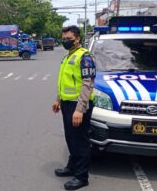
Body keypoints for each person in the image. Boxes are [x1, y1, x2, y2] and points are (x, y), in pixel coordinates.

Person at [52, 25, 95, 190]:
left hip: (79, 105)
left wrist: (80, 109)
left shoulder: (85, 57)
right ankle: (72, 167)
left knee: (80, 141)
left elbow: (87, 84)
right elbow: (65, 82)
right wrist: (58, 100)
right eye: (63, 39)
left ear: (77, 38)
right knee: (71, 138)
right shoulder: (68, 56)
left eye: (68, 39)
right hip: (66, 103)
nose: (65, 41)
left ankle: (82, 176)